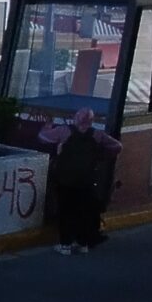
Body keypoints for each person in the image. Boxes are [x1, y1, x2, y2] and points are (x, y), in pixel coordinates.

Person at [40, 108, 120, 254]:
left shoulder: (64, 131)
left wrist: (47, 126)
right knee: (83, 211)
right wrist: (101, 156)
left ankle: (65, 244)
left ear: (76, 118)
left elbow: (43, 137)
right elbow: (117, 146)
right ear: (91, 121)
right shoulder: (97, 134)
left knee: (66, 211)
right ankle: (83, 243)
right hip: (86, 180)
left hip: (66, 180)